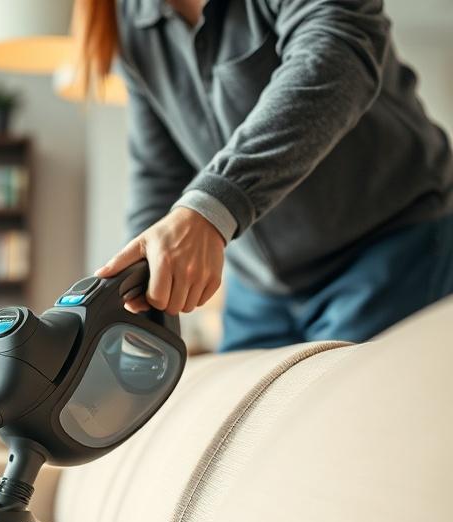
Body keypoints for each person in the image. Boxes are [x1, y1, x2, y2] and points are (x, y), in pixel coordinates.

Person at [82, 0, 453, 350]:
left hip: (391, 248)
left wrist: (212, 205)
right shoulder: (133, 15)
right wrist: (135, 297)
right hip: (258, 293)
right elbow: (159, 170)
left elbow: (335, 53)